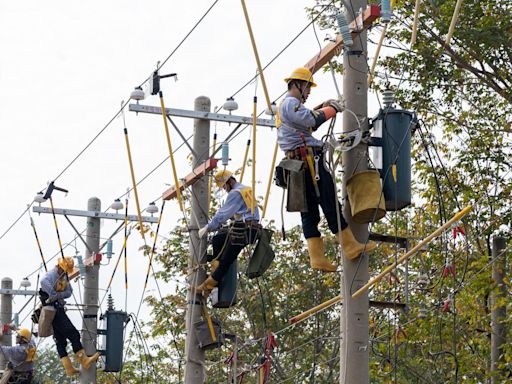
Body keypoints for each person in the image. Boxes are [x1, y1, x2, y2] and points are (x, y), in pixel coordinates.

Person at [276, 67, 376, 271]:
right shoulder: (290, 103)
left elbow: (306, 121)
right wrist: (332, 110)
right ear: (297, 85)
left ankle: (317, 257)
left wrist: (324, 106)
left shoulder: (288, 107)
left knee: (309, 211)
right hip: (309, 162)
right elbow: (311, 120)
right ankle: (350, 246)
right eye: (307, 87)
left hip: (298, 165)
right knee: (329, 201)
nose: (309, 92)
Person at [196, 170, 260, 294]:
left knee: (226, 260)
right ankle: (214, 272)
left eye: (224, 186)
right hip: (250, 228)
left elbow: (223, 214)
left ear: (230, 181)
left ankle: (210, 284)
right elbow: (239, 212)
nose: (225, 189)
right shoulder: (245, 189)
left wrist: (209, 227)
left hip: (243, 231)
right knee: (218, 239)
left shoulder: (235, 193)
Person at [39, 257, 100, 377]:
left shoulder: (64, 276)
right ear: (58, 266)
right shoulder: (48, 277)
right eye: (63, 270)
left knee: (60, 340)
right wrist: (58, 295)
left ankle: (69, 369)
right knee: (73, 334)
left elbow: (68, 292)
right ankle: (84, 361)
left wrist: (58, 295)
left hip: (57, 308)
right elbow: (51, 293)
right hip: (53, 310)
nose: (65, 272)